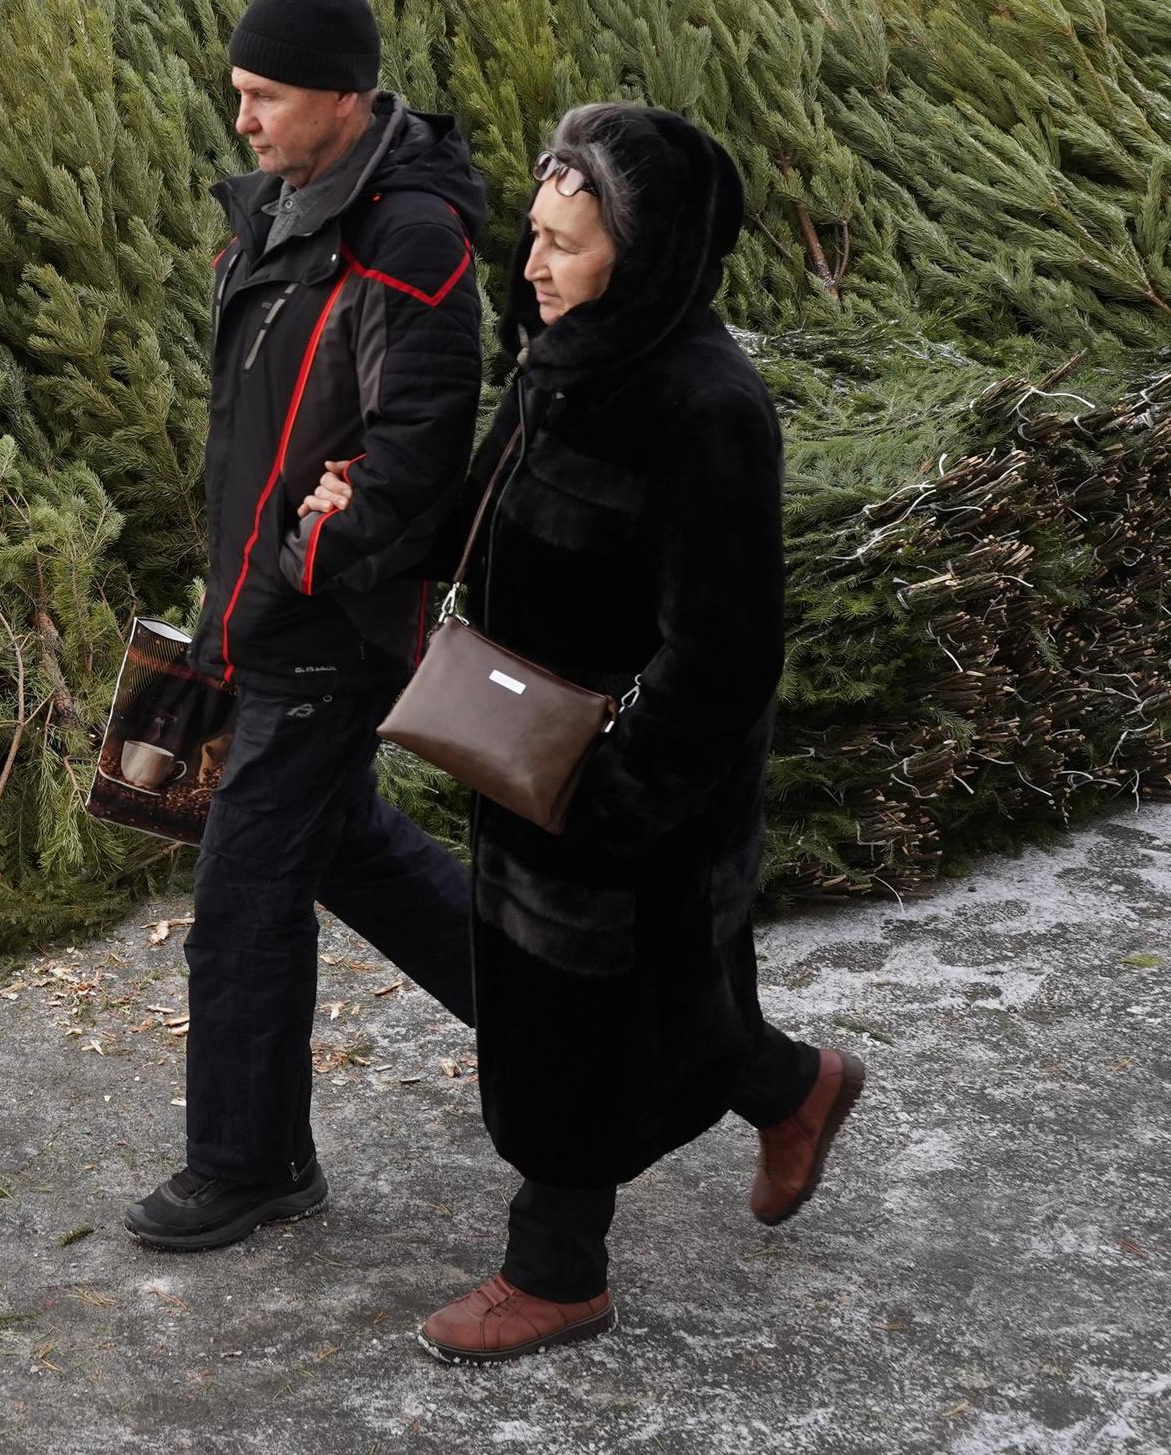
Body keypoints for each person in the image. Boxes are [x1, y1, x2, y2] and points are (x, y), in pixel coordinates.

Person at [340, 100, 866, 1364]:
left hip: (634, 785)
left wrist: (617, 796)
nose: (530, 266)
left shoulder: (705, 406)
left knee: (573, 1027)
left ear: (643, 252)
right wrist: (369, 511)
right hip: (531, 756)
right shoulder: (559, 364)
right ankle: (796, 1088)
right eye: (533, 233)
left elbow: (726, 652)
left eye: (564, 244)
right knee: (659, 1002)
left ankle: (556, 1269)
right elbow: (477, 515)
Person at [126, 0, 489, 1254]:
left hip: (332, 633)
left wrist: (299, 563)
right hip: (270, 614)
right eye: (237, 92)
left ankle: (250, 1164)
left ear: (343, 95)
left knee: (243, 897)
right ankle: (566, 1021)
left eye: (265, 94)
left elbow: (418, 451)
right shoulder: (278, 215)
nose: (243, 119)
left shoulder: (410, 241)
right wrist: (245, 576)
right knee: (344, 848)